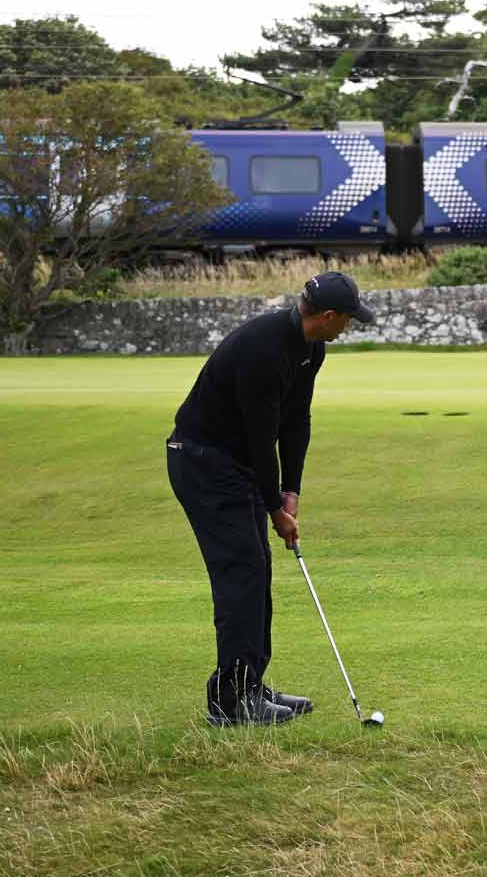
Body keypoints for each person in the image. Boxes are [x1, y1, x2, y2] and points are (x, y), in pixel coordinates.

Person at [167, 270, 373, 725]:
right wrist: (275, 511)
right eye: (348, 320)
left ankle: (249, 685)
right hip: (203, 463)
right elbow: (262, 440)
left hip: (232, 464)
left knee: (255, 571)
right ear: (327, 315)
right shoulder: (263, 348)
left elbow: (296, 421)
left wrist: (291, 491)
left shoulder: (311, 349)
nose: (349, 327)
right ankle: (230, 701)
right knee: (242, 573)